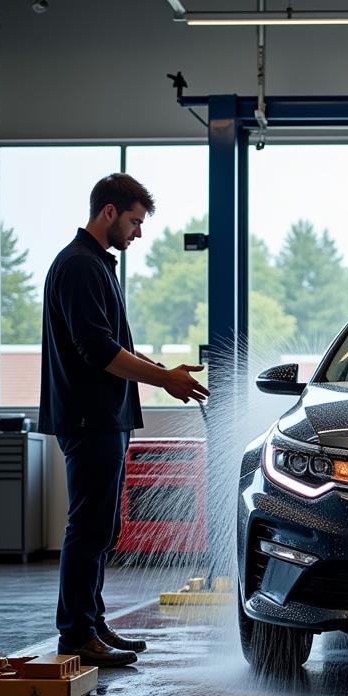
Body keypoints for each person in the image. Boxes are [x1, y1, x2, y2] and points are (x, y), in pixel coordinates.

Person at [37, 174, 210, 667]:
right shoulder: (79, 268)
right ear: (108, 212)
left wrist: (161, 371)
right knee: (89, 528)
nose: (138, 233)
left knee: (101, 528)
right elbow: (98, 351)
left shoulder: (96, 266)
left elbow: (113, 345)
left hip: (102, 417)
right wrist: (163, 380)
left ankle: (91, 623)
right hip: (90, 418)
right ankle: (75, 635)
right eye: (134, 221)